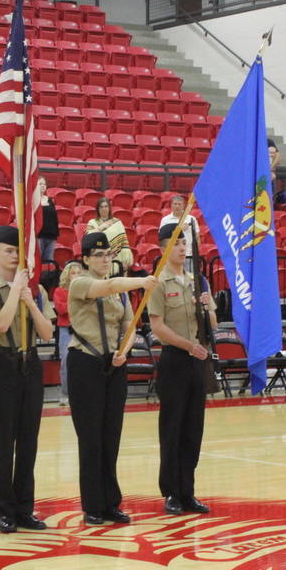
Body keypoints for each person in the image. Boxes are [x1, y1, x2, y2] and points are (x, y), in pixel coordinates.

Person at [67, 232, 158, 525]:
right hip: (86, 363)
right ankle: (92, 504)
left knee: (111, 436)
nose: (105, 260)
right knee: (90, 438)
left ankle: (111, 503)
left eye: (108, 255)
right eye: (98, 256)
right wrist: (142, 281)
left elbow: (129, 323)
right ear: (85, 259)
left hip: (115, 363)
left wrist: (124, 351)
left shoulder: (120, 292)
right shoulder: (80, 282)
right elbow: (107, 286)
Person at [0, 225, 55, 533]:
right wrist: (14, 292)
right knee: (4, 443)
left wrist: (30, 300)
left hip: (30, 363)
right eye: (9, 251)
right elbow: (3, 323)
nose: (14, 256)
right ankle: (4, 510)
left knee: (29, 443)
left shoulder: (35, 289)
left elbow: (47, 333)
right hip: (3, 364)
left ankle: (25, 509)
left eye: (19, 252)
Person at [148, 223, 216, 516]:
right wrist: (189, 347)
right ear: (164, 249)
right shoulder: (158, 282)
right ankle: (171, 493)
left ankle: (188, 491)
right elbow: (157, 326)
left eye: (184, 243)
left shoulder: (196, 280)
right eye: (176, 243)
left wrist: (207, 306)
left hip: (197, 361)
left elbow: (212, 323)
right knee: (172, 429)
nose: (182, 248)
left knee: (193, 430)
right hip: (175, 359)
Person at [54, 259, 82, 407]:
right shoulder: (60, 291)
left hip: (82, 328)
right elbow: (61, 309)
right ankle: (65, 394)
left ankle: (80, 394)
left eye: (79, 273)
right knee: (65, 363)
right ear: (67, 275)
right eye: (73, 273)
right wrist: (76, 302)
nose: (76, 275)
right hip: (66, 329)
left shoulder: (86, 289)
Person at [85, 197, 133, 273]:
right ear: (98, 209)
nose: (104, 209)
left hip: (116, 260)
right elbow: (87, 238)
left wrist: (125, 261)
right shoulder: (92, 222)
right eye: (101, 207)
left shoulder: (117, 222)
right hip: (98, 259)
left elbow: (124, 243)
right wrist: (101, 227)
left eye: (106, 206)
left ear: (109, 208)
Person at [159, 195, 196, 272]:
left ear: (183, 206)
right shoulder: (165, 220)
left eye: (179, 204)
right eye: (175, 204)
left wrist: (195, 250)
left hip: (188, 255)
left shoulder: (192, 219)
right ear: (171, 205)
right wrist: (179, 229)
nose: (177, 206)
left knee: (190, 281)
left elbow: (197, 236)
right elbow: (162, 237)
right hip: (172, 256)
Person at [38, 176, 58, 263]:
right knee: (37, 261)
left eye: (44, 184)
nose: (43, 186)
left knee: (48, 263)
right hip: (38, 235)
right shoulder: (32, 200)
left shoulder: (49, 200)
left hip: (51, 235)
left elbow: (54, 218)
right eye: (40, 184)